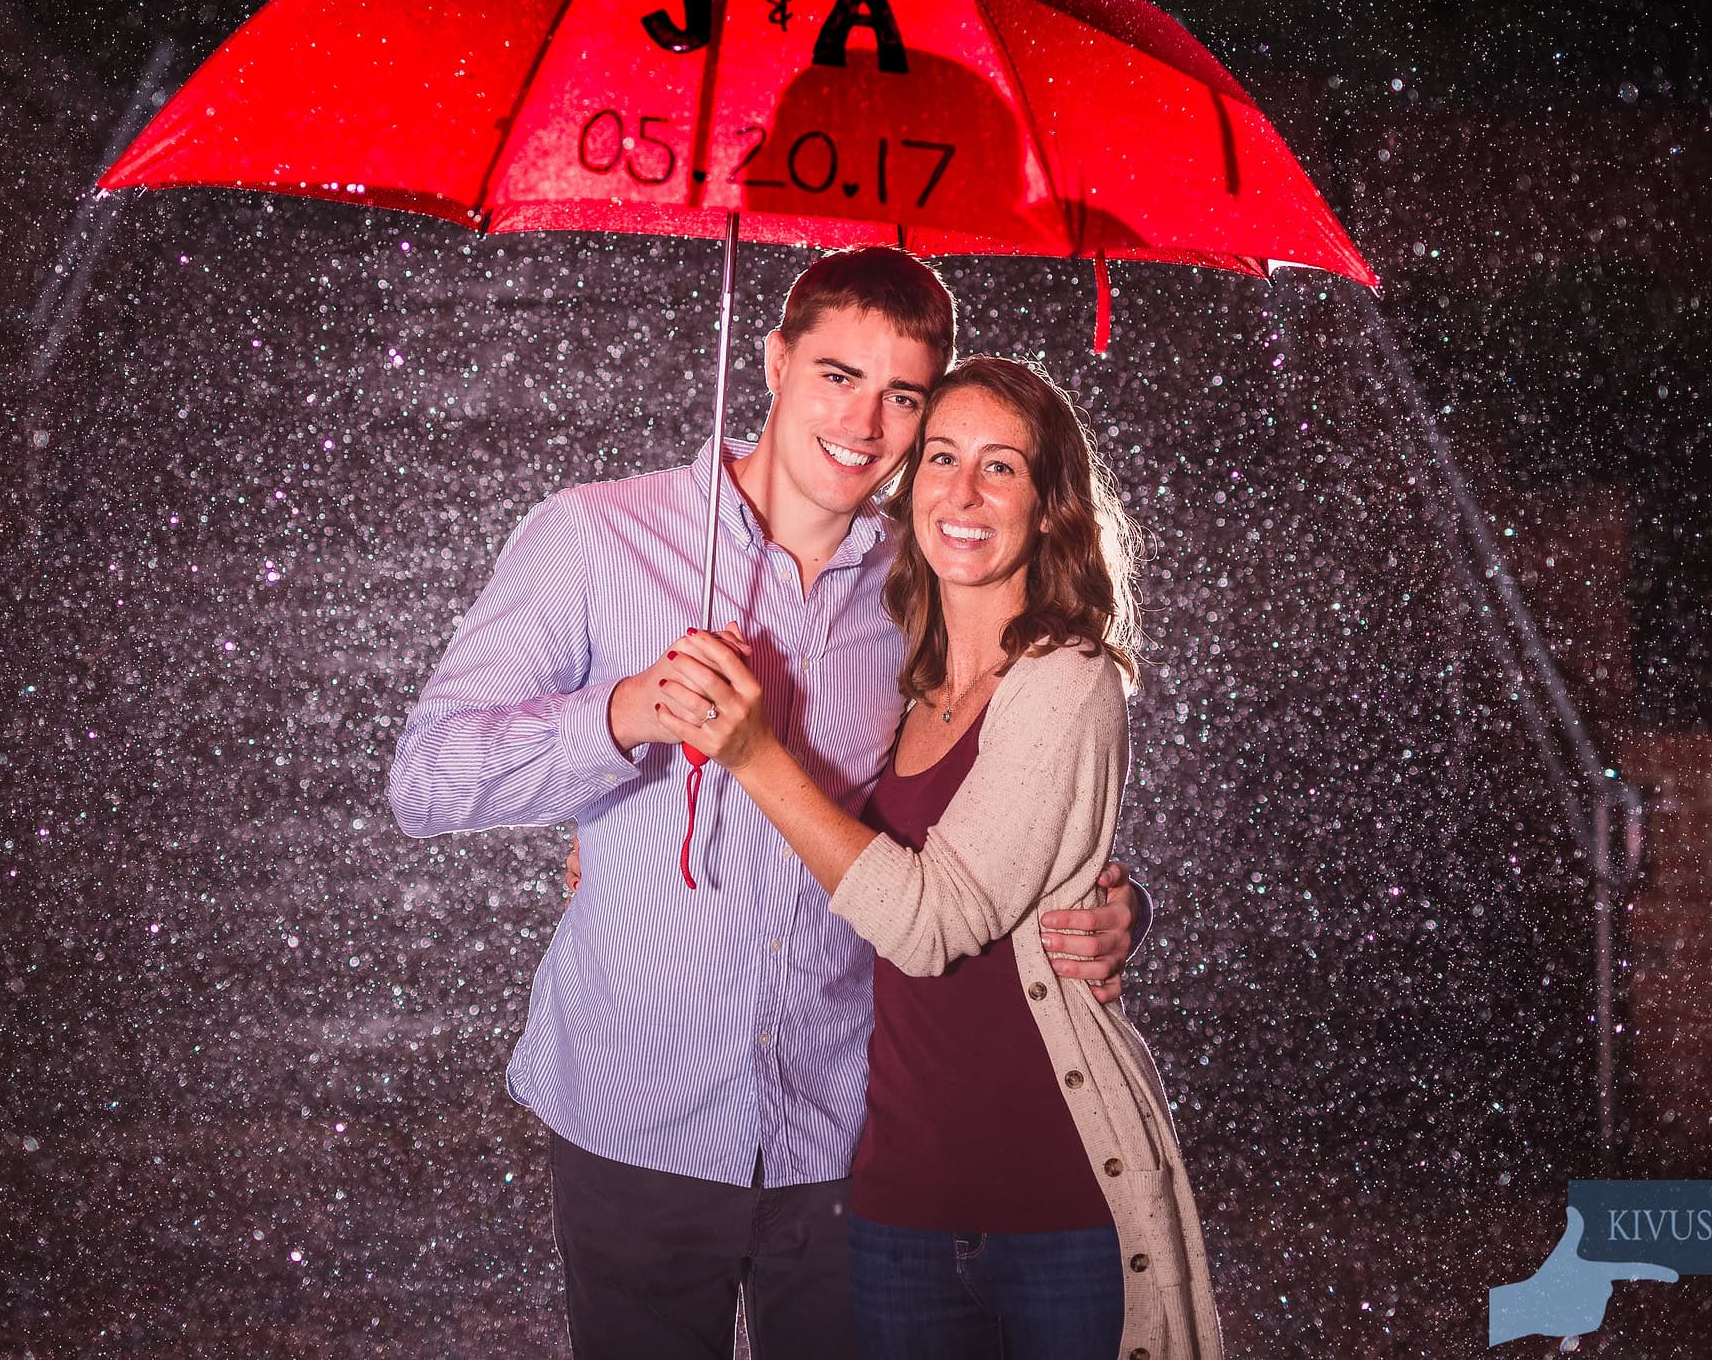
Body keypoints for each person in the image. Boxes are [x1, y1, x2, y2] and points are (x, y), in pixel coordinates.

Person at [387, 249, 1146, 1359]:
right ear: (775, 358)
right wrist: (622, 714)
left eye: (903, 395)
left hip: (845, 1132)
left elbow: (996, 778)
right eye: (837, 374)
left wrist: (1101, 894)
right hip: (634, 1113)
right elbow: (426, 776)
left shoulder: (923, 581)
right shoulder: (593, 536)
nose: (865, 421)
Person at [656, 356, 1221, 1360]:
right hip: (896, 1207)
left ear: (1049, 508)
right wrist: (631, 835)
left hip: (1054, 1207)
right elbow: (832, 861)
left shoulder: (1068, 677)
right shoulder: (904, 676)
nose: (962, 492)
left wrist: (753, 752)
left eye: (1001, 467)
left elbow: (931, 922)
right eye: (942, 458)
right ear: (908, 485)